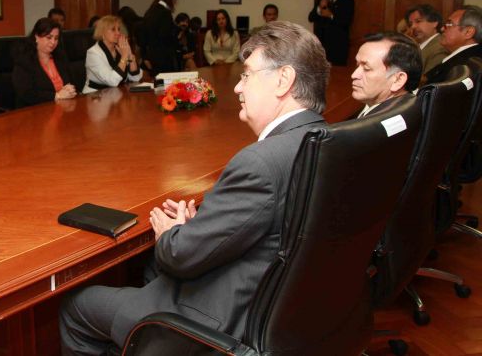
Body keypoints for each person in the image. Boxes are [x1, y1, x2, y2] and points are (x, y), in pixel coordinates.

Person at [59, 21, 330, 354]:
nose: (238, 87)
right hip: (284, 311)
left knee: (78, 306)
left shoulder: (260, 163)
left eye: (247, 75)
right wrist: (203, 228)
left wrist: (172, 234)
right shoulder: (327, 140)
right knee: (151, 269)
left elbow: (180, 256)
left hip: (223, 319)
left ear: (283, 80)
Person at [351, 32, 422, 117]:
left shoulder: (390, 121)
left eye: (366, 68)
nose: (354, 75)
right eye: (357, 65)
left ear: (398, 80)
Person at [12, 17, 76, 107]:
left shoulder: (60, 56)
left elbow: (71, 81)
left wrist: (70, 89)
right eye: (49, 38)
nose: (53, 42)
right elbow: (26, 93)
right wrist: (56, 96)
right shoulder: (24, 60)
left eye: (56, 38)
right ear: (36, 37)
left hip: (61, 106)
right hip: (34, 110)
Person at [82, 15, 141, 93]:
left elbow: (135, 78)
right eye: (113, 29)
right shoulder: (93, 53)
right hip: (96, 95)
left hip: (117, 93)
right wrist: (124, 57)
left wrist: (130, 55)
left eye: (118, 29)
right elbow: (112, 81)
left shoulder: (120, 49)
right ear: (102, 33)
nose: (118, 33)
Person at [425, 5, 482, 84]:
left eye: (449, 24)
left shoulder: (464, 66)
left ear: (468, 32)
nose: (442, 29)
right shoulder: (465, 57)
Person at [308, 0, 354, 66]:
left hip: (339, 42)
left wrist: (331, 15)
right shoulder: (322, 0)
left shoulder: (348, 1)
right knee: (320, 67)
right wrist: (319, 8)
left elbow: (346, 21)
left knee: (338, 68)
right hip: (322, 42)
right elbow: (311, 18)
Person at [141, 0, 181, 74]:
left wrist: (145, 56)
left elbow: (143, 35)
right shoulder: (165, 13)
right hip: (163, 57)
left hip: (151, 54)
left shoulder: (150, 11)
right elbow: (165, 37)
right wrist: (176, 37)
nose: (176, 2)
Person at [405, 4, 448, 75]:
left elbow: (429, 79)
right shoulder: (415, 47)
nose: (413, 27)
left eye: (418, 21)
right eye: (410, 24)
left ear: (434, 22)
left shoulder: (440, 48)